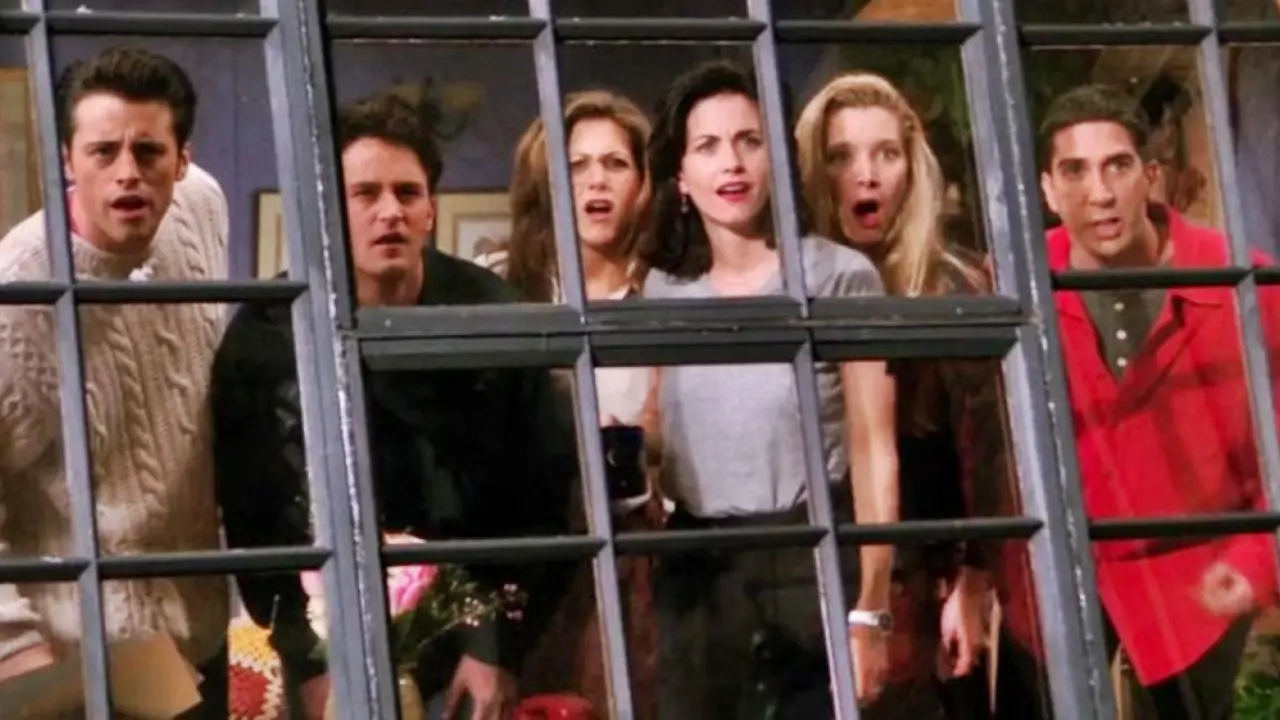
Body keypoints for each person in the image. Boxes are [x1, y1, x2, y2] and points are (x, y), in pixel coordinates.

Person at [212, 87, 578, 719]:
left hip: (474, 637)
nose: (391, 212)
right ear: (328, 210)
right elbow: (254, 522)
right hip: (329, 635)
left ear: (431, 209)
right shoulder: (267, 333)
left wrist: (497, 649)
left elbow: (543, 505)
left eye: (407, 193)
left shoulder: (494, 317)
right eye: (365, 194)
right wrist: (310, 662)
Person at [997, 83, 1280, 720]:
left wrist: (1258, 559)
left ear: (1150, 176)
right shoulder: (1015, 287)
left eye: (1117, 166)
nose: (1099, 193)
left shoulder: (1242, 282)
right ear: (1048, 190)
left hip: (1197, 598)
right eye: (1075, 171)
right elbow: (983, 447)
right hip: (1055, 597)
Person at [639, 60, 899, 719]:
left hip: (810, 556)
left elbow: (874, 449)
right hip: (697, 568)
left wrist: (872, 608)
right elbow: (661, 427)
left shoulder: (838, 276)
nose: (732, 163)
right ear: (681, 175)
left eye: (749, 141)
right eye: (708, 146)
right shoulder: (665, 290)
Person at [0, 46, 231, 716]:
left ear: (182, 160)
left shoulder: (202, 205)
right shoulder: (18, 295)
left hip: (196, 633)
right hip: (76, 661)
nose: (128, 172)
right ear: (67, 161)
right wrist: (17, 653)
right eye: (103, 152)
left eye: (149, 152)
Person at [795, 71, 1012, 719]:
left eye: (886, 154)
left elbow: (992, 456)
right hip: (810, 574)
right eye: (842, 156)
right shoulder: (790, 287)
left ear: (912, 168)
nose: (866, 175)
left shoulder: (950, 289)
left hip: (928, 581)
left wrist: (973, 581)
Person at [474, 89, 660, 718]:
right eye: (576, 165)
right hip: (527, 552)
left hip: (637, 559)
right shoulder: (500, 285)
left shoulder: (668, 294)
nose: (596, 180)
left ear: (644, 184)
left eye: (615, 164)